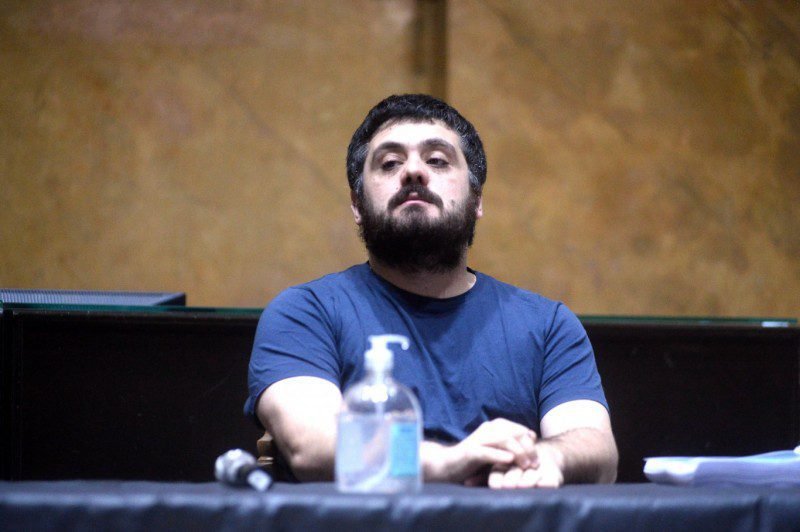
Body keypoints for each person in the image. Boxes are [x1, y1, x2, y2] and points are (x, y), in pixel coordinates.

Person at [245, 94, 618, 489]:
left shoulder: (547, 324)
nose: (413, 172)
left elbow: (596, 448)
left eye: (437, 160)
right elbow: (310, 445)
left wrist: (548, 457)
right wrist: (449, 462)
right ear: (357, 204)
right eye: (390, 163)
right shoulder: (304, 313)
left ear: (476, 199)